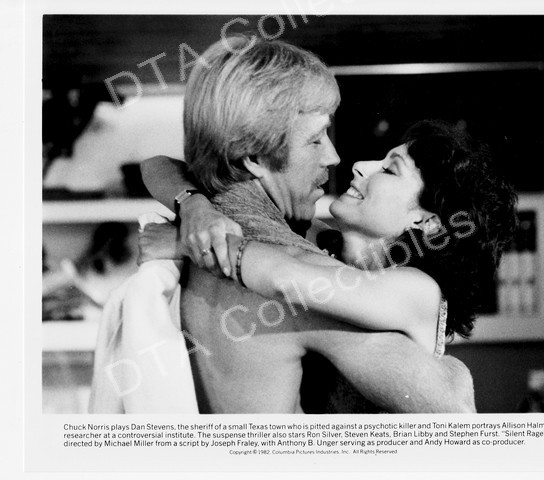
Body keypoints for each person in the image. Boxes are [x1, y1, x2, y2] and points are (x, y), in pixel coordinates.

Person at [140, 34, 481, 413]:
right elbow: (157, 166)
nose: (346, 161)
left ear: (428, 220)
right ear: (254, 157)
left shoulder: (408, 288)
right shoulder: (312, 247)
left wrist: (193, 238)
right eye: (317, 139)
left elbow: (454, 404)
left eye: (389, 170)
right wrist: (193, 207)